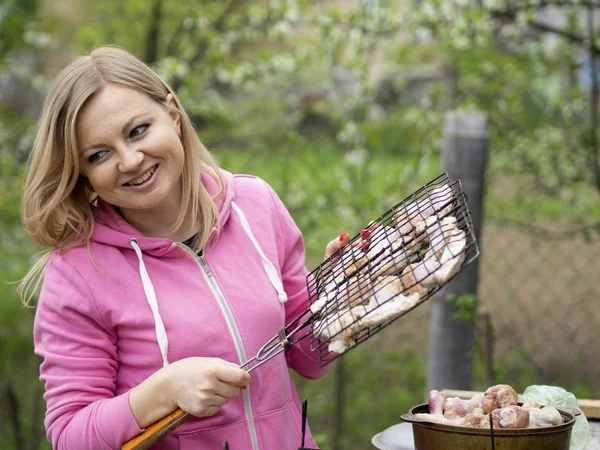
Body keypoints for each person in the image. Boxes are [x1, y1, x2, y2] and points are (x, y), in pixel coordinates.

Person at [19, 45, 351, 450]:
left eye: (138, 130)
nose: (130, 159)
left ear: (173, 115)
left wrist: (339, 298)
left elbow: (308, 359)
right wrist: (162, 392)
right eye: (99, 154)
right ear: (83, 174)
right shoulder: (79, 271)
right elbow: (70, 436)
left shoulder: (256, 204)